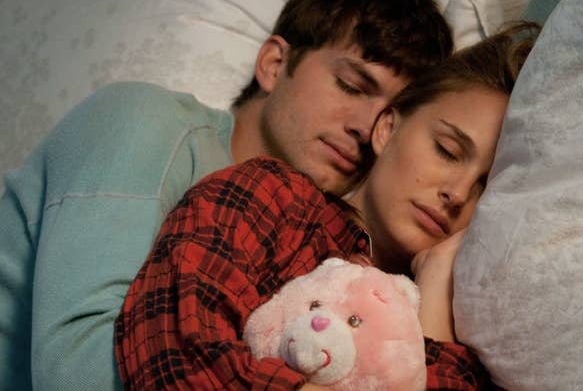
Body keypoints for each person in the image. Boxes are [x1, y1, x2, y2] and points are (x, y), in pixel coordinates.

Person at [0, 0, 453, 390]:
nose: (363, 126)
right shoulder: (147, 121)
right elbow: (74, 371)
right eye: (350, 85)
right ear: (274, 65)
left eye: (386, 120)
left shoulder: (323, 251)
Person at [115, 23, 539, 390]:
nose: (459, 192)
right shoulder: (270, 199)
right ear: (387, 128)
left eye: (487, 187)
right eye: (447, 150)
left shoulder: (467, 330)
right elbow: (177, 361)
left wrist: (431, 313)